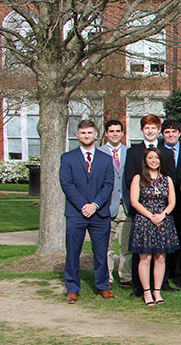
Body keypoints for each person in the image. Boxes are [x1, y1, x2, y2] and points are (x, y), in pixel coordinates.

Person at [60, 119, 115, 304]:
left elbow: (108, 185)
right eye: (82, 133)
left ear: (96, 134)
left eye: (89, 133)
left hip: (99, 214)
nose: (86, 136)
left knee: (101, 253)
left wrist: (95, 205)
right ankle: (73, 288)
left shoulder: (106, 159)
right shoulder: (67, 158)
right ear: (77, 135)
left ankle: (102, 286)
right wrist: (84, 205)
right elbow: (66, 184)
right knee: (73, 252)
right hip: (76, 212)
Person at [128, 147, 180, 306]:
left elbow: (172, 202)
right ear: (145, 160)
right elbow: (134, 201)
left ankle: (157, 290)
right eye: (150, 158)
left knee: (160, 257)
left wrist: (162, 215)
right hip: (145, 221)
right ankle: (146, 291)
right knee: (145, 258)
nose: (153, 161)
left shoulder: (167, 179)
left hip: (163, 221)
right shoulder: (138, 178)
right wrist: (150, 216)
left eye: (156, 158)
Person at [124, 114, 162, 298]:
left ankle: (160, 286)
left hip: (161, 210)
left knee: (160, 252)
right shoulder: (133, 152)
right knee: (141, 250)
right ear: (142, 130)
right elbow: (129, 177)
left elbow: (168, 177)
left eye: (153, 127)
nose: (150, 130)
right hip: (141, 207)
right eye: (147, 128)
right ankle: (139, 286)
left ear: (158, 130)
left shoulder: (164, 151)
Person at [97, 119, 130, 288]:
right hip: (106, 206)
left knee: (126, 246)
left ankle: (126, 276)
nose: (115, 134)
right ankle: (107, 278)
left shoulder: (130, 152)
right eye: (111, 131)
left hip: (127, 205)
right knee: (106, 246)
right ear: (106, 134)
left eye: (118, 131)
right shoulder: (98, 153)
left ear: (123, 133)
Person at [160, 119, 181, 290]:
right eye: (167, 132)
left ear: (179, 133)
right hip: (164, 203)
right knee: (164, 240)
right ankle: (165, 274)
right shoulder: (158, 152)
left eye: (173, 131)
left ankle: (180, 275)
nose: (170, 134)